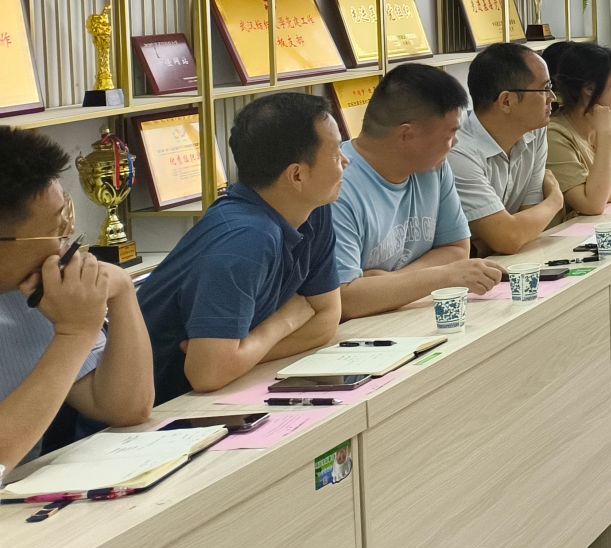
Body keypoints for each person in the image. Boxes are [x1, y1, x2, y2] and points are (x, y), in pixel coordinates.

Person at [137, 91, 345, 399]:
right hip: (155, 408)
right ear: (297, 175)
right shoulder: (246, 238)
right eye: (336, 154)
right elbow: (207, 373)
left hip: (218, 391)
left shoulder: (314, 210)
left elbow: (326, 319)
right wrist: (284, 321)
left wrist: (241, 354)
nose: (345, 161)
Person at [0, 127, 152, 468]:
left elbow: (125, 408)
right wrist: (74, 333)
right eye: (57, 231)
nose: (66, 245)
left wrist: (122, 292)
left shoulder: (30, 290)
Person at [331, 63, 503, 320]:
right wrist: (444, 276)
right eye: (450, 133)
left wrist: (390, 283)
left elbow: (457, 248)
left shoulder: (433, 166)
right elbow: (345, 300)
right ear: (407, 135)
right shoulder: (335, 185)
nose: (455, 143)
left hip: (409, 316)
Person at [448, 42, 562, 255]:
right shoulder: (458, 151)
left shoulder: (535, 131)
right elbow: (509, 238)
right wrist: (555, 200)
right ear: (507, 101)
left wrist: (496, 238)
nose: (552, 98)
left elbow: (530, 220)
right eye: (545, 89)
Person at [545, 40, 611, 220]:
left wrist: (599, 195)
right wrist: (605, 134)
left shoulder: (608, 119)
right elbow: (592, 204)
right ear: (589, 88)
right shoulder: (554, 134)